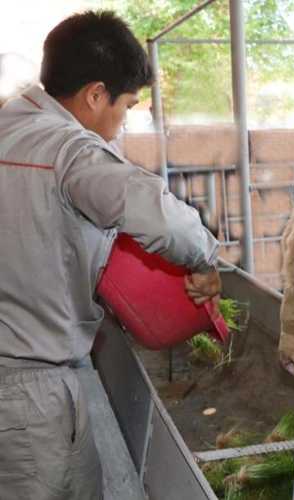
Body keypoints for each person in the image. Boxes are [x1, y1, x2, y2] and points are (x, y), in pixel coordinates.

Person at [0, 10, 222, 499]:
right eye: (126, 107)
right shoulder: (67, 149)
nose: (121, 125)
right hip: (25, 390)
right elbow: (157, 216)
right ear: (94, 95)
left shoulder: (9, 123)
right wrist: (207, 260)